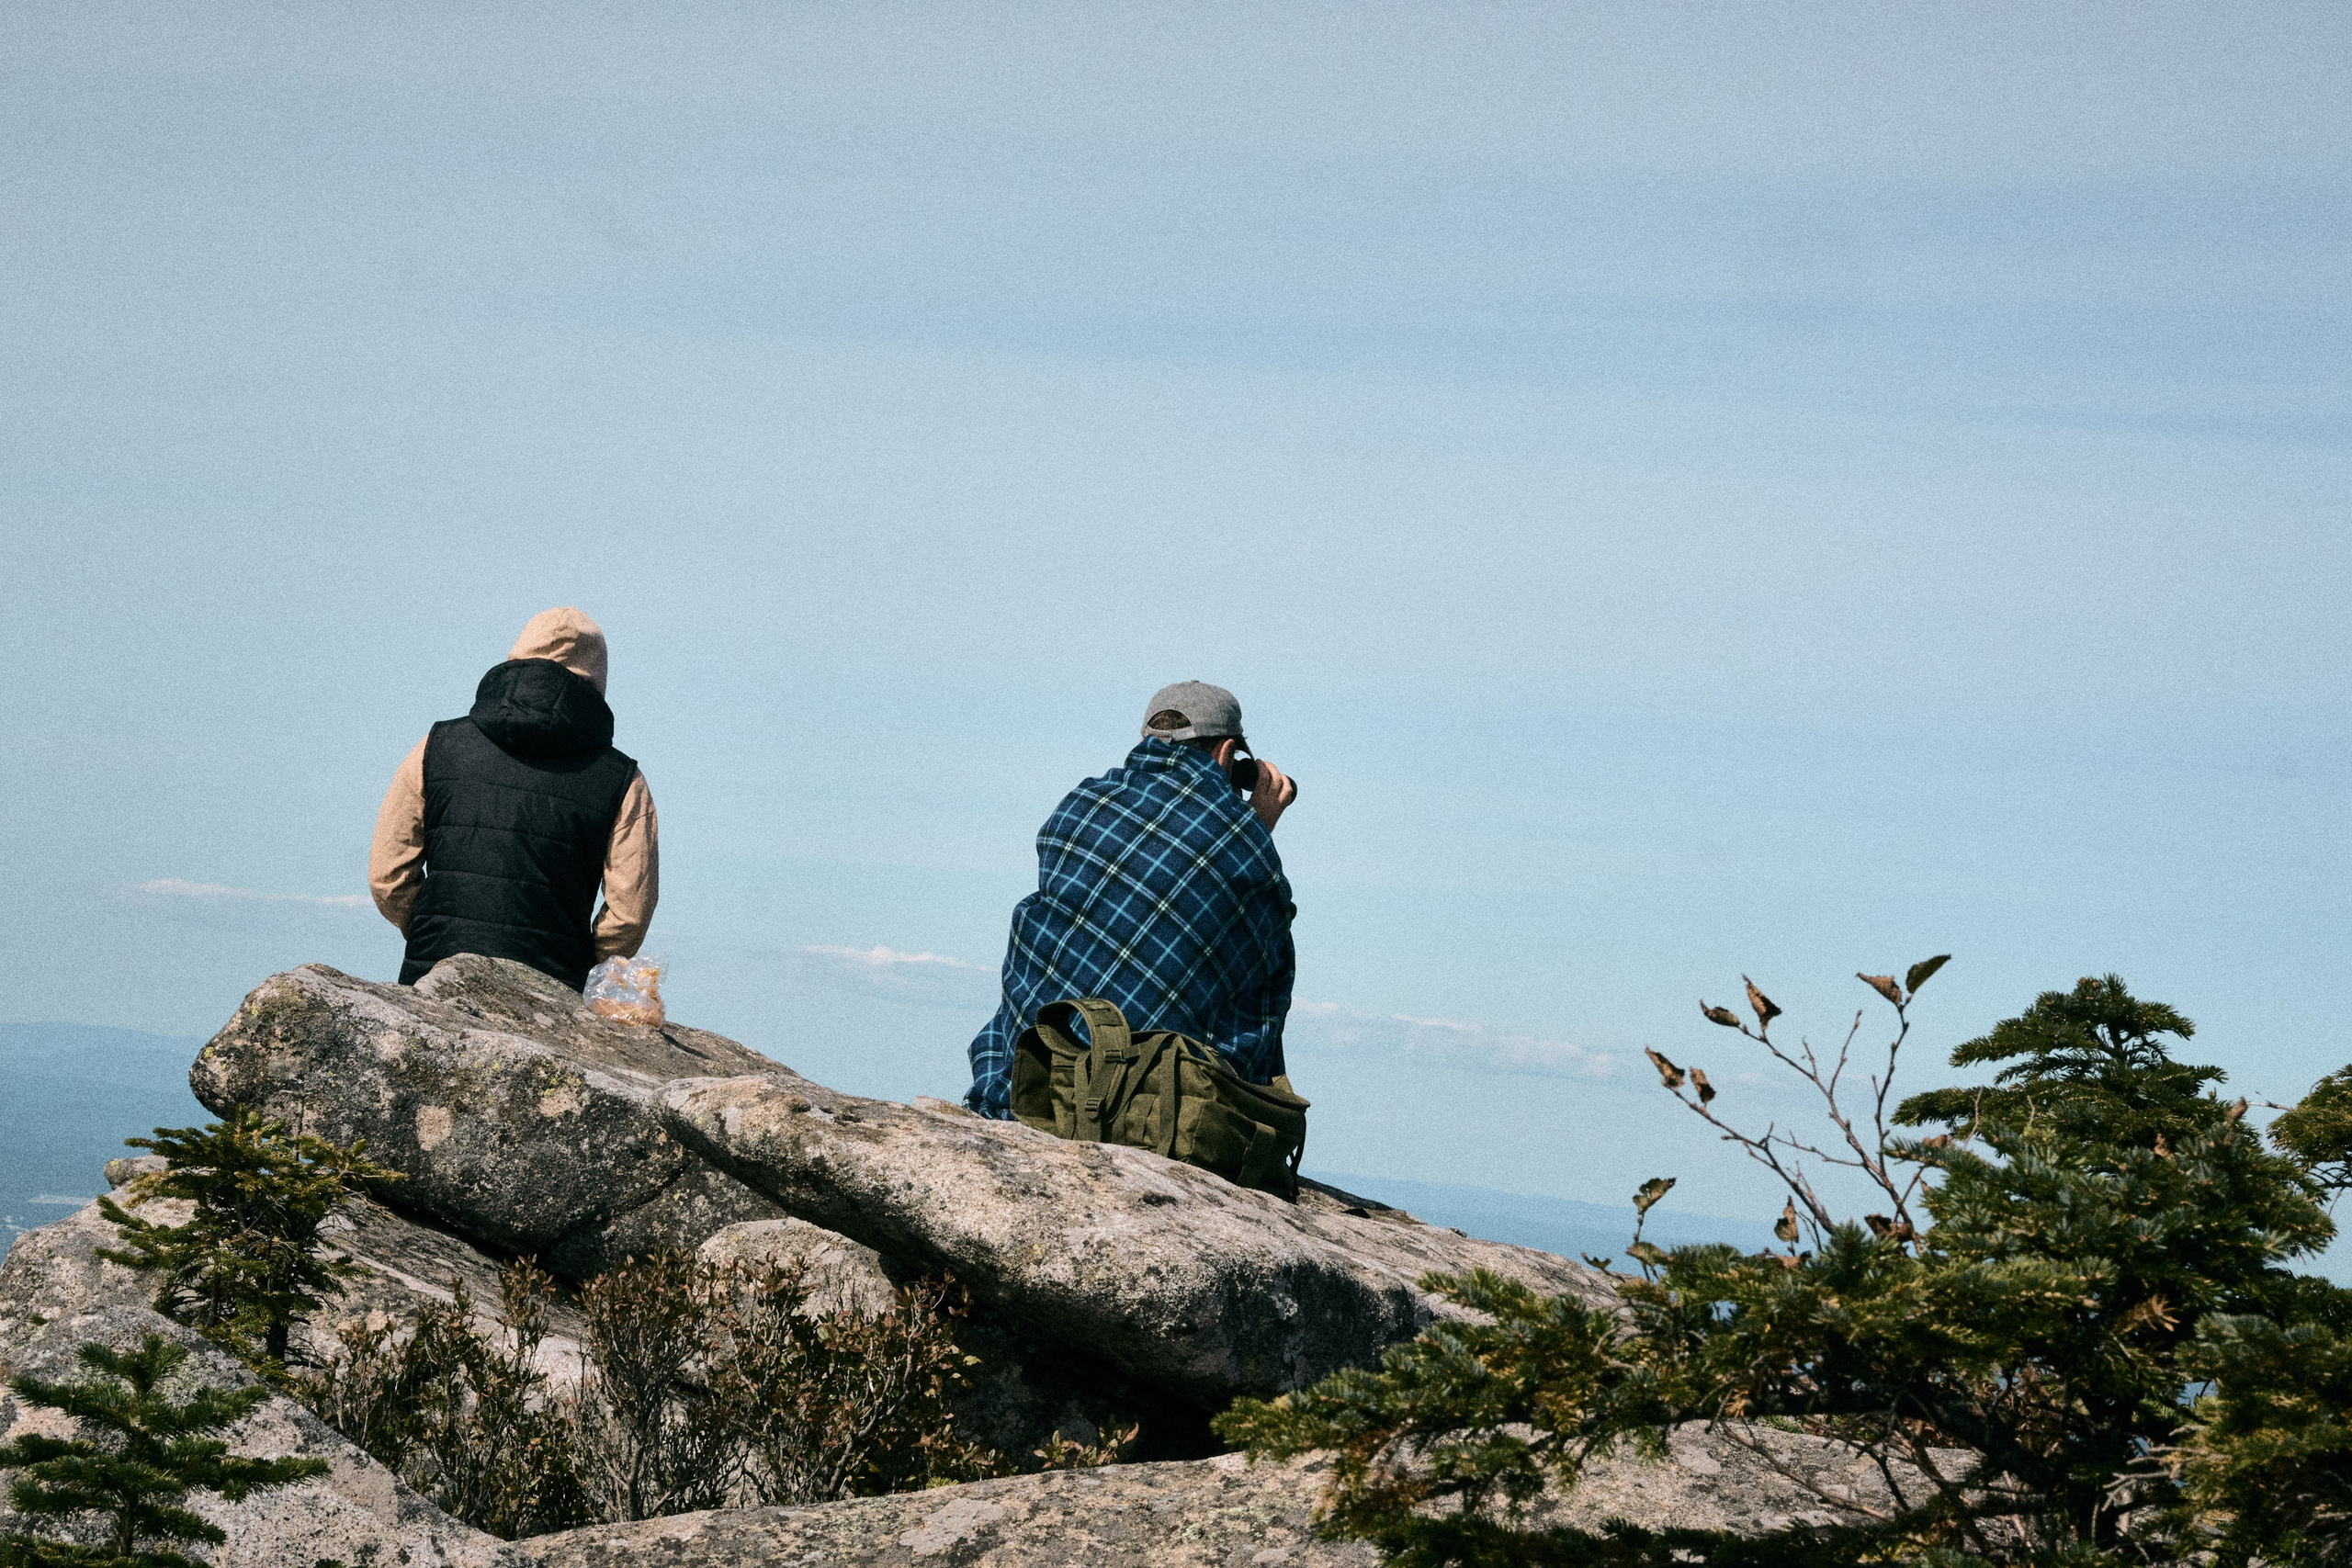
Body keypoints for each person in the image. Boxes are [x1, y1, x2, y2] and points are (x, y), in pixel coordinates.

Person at [966, 681, 1299, 1119]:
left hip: (1029, 1083)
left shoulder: (1080, 803)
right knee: (1266, 965)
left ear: (1144, 739)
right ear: (1227, 753)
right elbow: (1259, 964)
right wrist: (1254, 828)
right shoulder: (1242, 842)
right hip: (1141, 1107)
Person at [368, 607, 658, 991]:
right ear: (598, 680)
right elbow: (629, 915)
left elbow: (387, 876)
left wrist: (432, 930)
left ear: (516, 657)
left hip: (433, 976)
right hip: (552, 989)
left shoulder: (436, 747)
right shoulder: (622, 780)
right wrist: (584, 962)